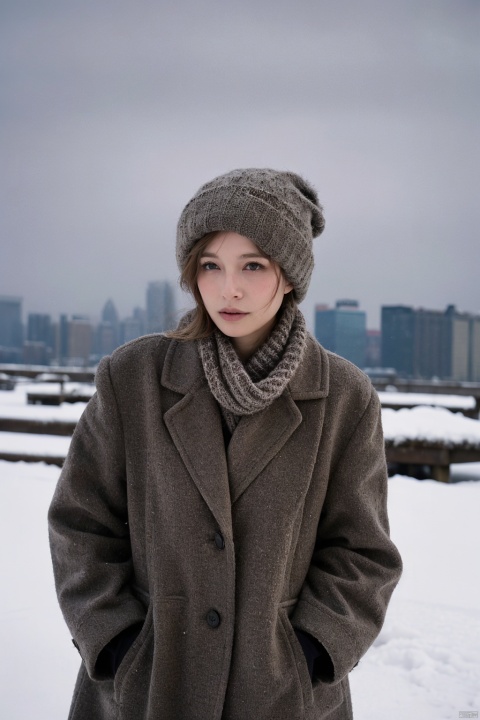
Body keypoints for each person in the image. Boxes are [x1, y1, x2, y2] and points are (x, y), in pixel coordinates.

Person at [48, 168, 402, 720]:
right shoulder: (133, 378)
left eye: (252, 266)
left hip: (281, 695)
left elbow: (363, 553)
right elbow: (80, 521)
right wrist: (116, 642)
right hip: (147, 688)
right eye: (210, 265)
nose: (227, 288)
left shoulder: (344, 398)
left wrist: (312, 651)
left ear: (290, 276)